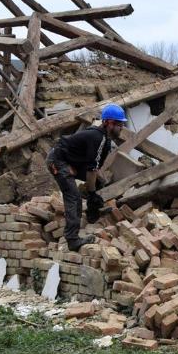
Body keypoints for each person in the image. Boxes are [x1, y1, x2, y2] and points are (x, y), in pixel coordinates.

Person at [46, 104, 127, 251]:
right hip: (57, 160)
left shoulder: (106, 141)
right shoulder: (97, 138)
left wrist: (93, 191)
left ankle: (92, 212)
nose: (121, 127)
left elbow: (95, 169)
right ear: (108, 123)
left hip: (71, 161)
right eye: (119, 124)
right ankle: (72, 239)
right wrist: (91, 192)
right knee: (73, 197)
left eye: (122, 124)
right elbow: (91, 170)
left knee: (99, 181)